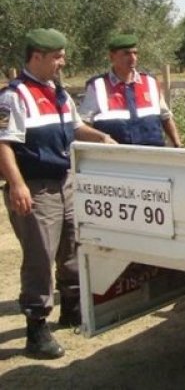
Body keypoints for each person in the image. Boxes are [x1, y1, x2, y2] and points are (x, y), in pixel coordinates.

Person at [0, 28, 116, 359]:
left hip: (65, 182)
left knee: (71, 247)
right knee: (39, 256)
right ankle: (36, 329)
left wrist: (101, 137)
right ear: (36, 57)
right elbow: (3, 144)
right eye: (56, 57)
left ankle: (72, 310)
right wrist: (18, 184)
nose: (62, 62)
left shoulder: (58, 92)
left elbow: (76, 127)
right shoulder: (15, 96)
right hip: (36, 187)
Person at [79, 34, 182, 147]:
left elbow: (166, 117)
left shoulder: (150, 82)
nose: (133, 58)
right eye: (126, 54)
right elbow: (83, 124)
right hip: (116, 158)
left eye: (135, 53)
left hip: (153, 156)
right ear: (112, 57)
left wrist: (178, 144)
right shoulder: (97, 86)